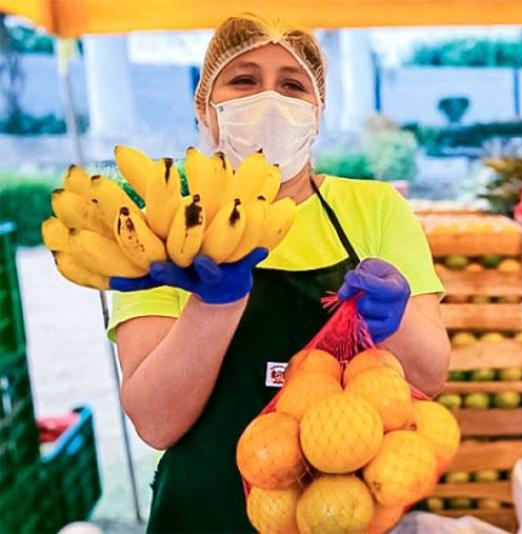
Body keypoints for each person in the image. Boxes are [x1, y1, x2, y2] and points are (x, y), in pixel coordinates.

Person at [108, 15, 450, 533]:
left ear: (317, 112)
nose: (269, 99)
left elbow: (429, 379)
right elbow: (156, 423)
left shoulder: (376, 209)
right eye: (244, 80)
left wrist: (396, 321)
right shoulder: (168, 227)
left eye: (292, 86)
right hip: (203, 514)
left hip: (337, 513)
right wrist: (213, 307)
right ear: (205, 107)